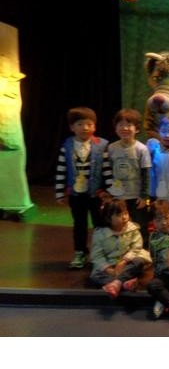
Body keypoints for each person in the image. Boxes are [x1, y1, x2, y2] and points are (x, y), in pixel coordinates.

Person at [55, 106, 112, 269]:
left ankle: (102, 252)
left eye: (89, 124)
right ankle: (80, 252)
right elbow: (61, 169)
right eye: (80, 124)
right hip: (76, 195)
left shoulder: (102, 145)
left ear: (95, 126)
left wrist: (109, 191)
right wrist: (59, 192)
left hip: (96, 194)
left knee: (100, 224)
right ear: (72, 127)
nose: (85, 128)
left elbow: (107, 169)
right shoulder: (67, 146)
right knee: (79, 224)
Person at [89, 198, 151, 299]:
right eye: (118, 215)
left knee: (138, 262)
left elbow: (137, 247)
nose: (124, 217)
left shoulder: (132, 228)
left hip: (127, 262)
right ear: (108, 218)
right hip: (110, 264)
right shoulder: (100, 234)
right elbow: (97, 256)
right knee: (95, 276)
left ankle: (116, 283)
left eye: (125, 213)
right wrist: (109, 270)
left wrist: (124, 261)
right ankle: (124, 283)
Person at [107, 108, 151, 236]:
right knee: (117, 225)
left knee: (140, 226)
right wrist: (109, 194)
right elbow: (108, 172)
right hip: (117, 196)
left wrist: (144, 196)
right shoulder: (111, 148)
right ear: (115, 128)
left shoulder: (142, 149)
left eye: (129, 125)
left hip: (136, 197)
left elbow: (146, 174)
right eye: (121, 125)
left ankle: (142, 247)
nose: (125, 128)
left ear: (137, 129)